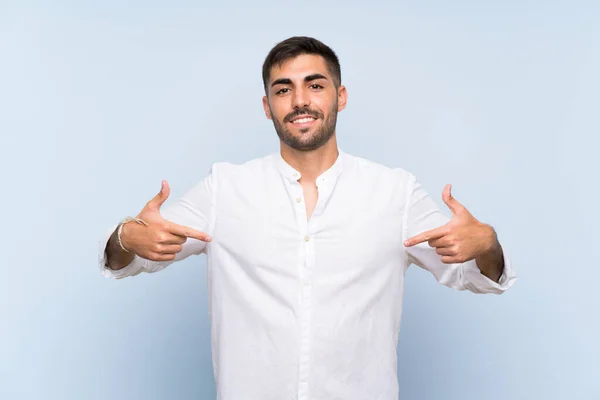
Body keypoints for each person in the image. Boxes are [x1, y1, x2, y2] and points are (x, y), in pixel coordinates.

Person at [98, 36, 517, 400]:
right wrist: (126, 237)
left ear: (341, 95)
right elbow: (129, 261)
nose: (300, 100)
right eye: (284, 89)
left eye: (315, 85)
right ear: (267, 106)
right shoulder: (224, 188)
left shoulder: (395, 192)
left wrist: (487, 244)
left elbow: (476, 277)